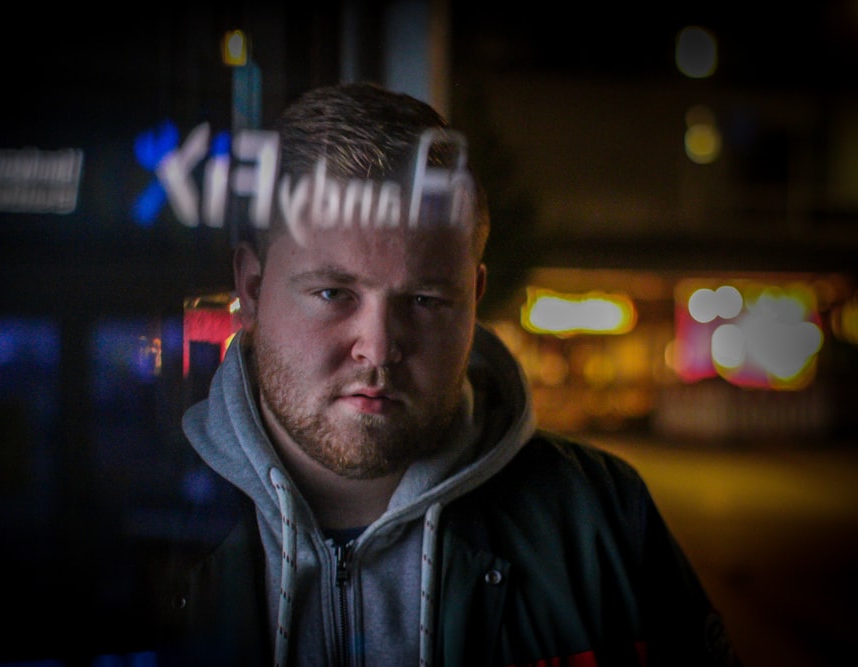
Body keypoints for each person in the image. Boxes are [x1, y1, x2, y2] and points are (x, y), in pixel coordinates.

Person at [154, 82, 740, 667]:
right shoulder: (133, 513)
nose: (379, 349)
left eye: (426, 300)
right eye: (333, 292)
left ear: (474, 299)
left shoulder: (602, 518)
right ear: (252, 289)